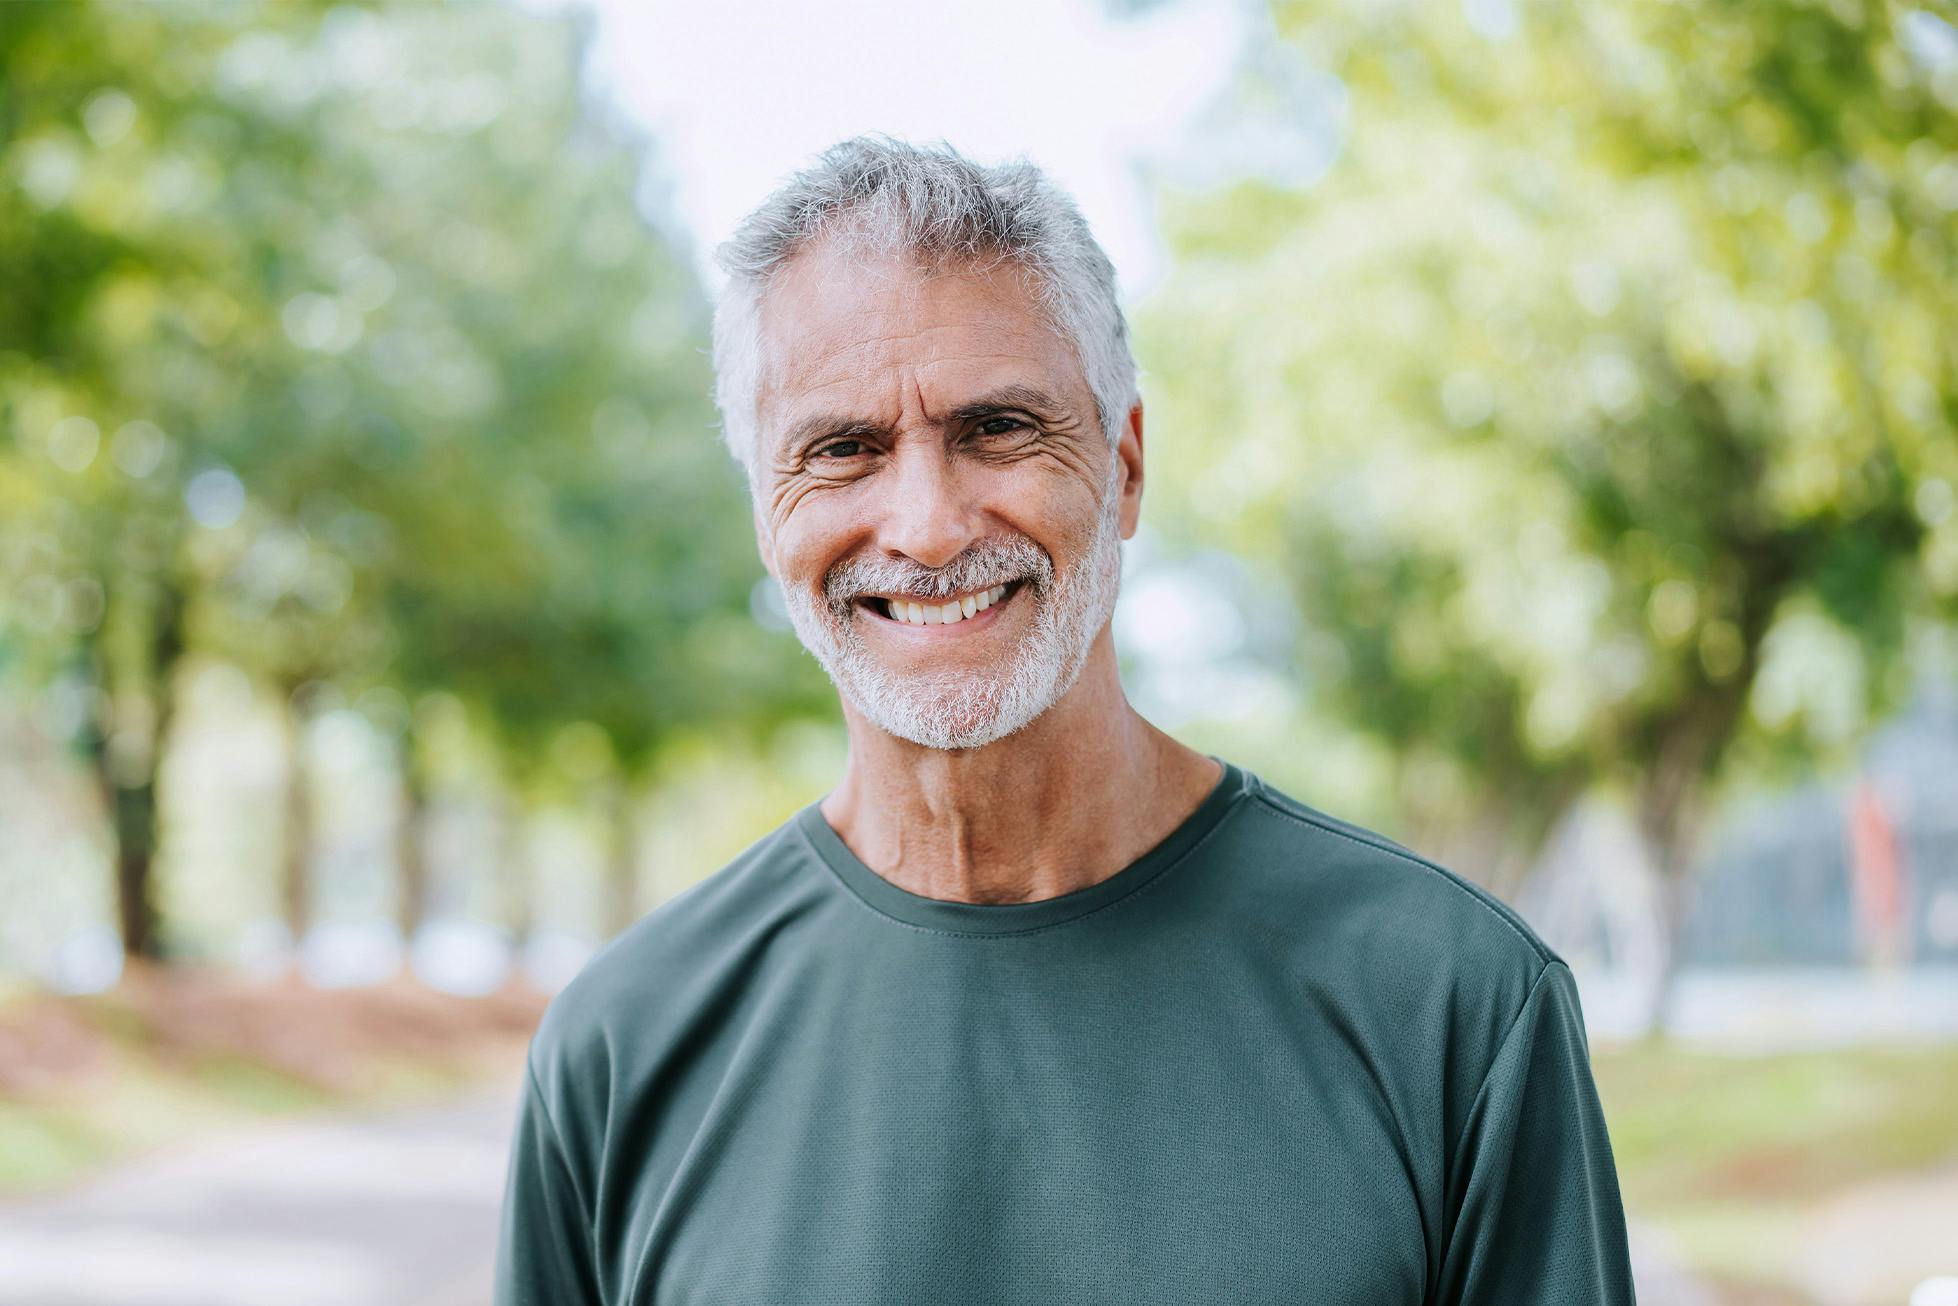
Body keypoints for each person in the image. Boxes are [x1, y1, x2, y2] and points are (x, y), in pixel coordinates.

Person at [493, 135, 1636, 1305]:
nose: (928, 526)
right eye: (843, 449)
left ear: (1125, 466)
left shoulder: (1450, 1006)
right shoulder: (622, 1049)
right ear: (763, 511)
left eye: (996, 428)